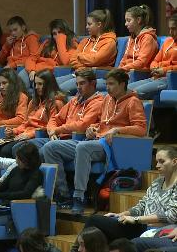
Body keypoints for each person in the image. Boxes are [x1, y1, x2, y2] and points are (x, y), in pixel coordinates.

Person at [67, 68, 146, 215]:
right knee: (52, 147)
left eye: (111, 84)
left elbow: (141, 129)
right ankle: (62, 194)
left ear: (122, 84)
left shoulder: (133, 101)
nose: (107, 87)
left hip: (114, 145)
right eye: (106, 84)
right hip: (97, 139)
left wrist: (118, 130)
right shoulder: (107, 99)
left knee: (83, 148)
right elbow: (103, 124)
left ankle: (78, 197)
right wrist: (92, 128)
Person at [37, 68, 103, 206]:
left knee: (49, 148)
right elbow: (55, 118)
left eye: (82, 83)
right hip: (61, 138)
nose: (78, 87)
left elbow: (82, 125)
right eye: (77, 84)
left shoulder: (98, 102)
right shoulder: (74, 101)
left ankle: (63, 193)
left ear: (93, 83)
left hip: (79, 140)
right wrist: (51, 131)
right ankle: (42, 190)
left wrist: (57, 129)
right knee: (29, 146)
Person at [83, 147, 177, 242]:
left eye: (162, 161)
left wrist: (136, 219)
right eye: (156, 162)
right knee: (99, 227)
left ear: (174, 162)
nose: (157, 165)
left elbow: (171, 216)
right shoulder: (157, 182)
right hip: (141, 225)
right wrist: (120, 215)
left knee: (95, 222)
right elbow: (142, 206)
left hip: (156, 230)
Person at [0, 69, 65, 158]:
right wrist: (14, 131)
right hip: (24, 134)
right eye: (35, 84)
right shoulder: (33, 101)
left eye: (40, 84)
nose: (36, 87)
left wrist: (29, 134)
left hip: (39, 136)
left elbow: (51, 126)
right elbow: (25, 122)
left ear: (48, 85)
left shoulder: (56, 102)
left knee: (8, 150)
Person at [58, 9, 117, 95]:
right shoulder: (85, 41)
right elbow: (73, 59)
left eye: (89, 24)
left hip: (96, 77)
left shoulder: (109, 42)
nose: (86, 27)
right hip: (78, 74)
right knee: (49, 85)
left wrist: (80, 56)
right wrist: (84, 64)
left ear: (99, 25)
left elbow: (94, 60)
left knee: (61, 89)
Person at [128, 14, 177, 99]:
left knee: (136, 92)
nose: (170, 32)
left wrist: (164, 70)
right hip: (156, 77)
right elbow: (155, 60)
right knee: (125, 89)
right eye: (169, 29)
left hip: (170, 79)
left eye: (174, 29)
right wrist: (154, 68)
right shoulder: (168, 41)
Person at [0, 16, 40, 91]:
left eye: (15, 30)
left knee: (19, 81)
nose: (13, 33)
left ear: (23, 27)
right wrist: (7, 45)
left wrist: (11, 65)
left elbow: (33, 57)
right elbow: (0, 60)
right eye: (11, 31)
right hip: (10, 70)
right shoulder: (11, 41)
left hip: (23, 69)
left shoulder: (31, 38)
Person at [23, 19, 78, 89]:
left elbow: (66, 61)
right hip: (36, 70)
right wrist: (31, 70)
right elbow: (32, 57)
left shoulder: (72, 44)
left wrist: (60, 40)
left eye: (60, 32)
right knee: (22, 77)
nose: (57, 36)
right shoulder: (47, 43)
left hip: (50, 74)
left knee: (40, 84)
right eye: (54, 34)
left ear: (66, 32)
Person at [118, 5, 158, 72]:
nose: (125, 24)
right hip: (126, 73)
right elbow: (124, 59)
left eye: (128, 20)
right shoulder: (131, 38)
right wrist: (117, 72)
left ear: (138, 20)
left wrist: (122, 70)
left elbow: (141, 62)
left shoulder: (148, 38)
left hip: (138, 74)